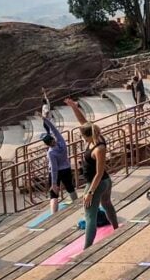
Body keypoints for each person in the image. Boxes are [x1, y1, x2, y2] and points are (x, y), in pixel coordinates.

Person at [65, 97, 120, 249]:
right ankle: (116, 230)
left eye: (82, 136)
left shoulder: (99, 149)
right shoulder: (95, 136)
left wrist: (90, 192)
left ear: (87, 135)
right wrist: (74, 107)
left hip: (98, 184)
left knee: (90, 217)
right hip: (105, 183)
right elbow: (84, 122)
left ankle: (87, 248)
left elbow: (99, 172)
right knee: (107, 205)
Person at [41, 112, 78, 217]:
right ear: (53, 139)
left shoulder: (51, 152)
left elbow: (54, 168)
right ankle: (78, 204)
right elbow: (54, 130)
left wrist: (53, 183)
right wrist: (46, 120)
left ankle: (53, 215)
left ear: (47, 144)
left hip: (57, 172)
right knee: (70, 187)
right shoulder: (61, 142)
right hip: (66, 169)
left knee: (54, 195)